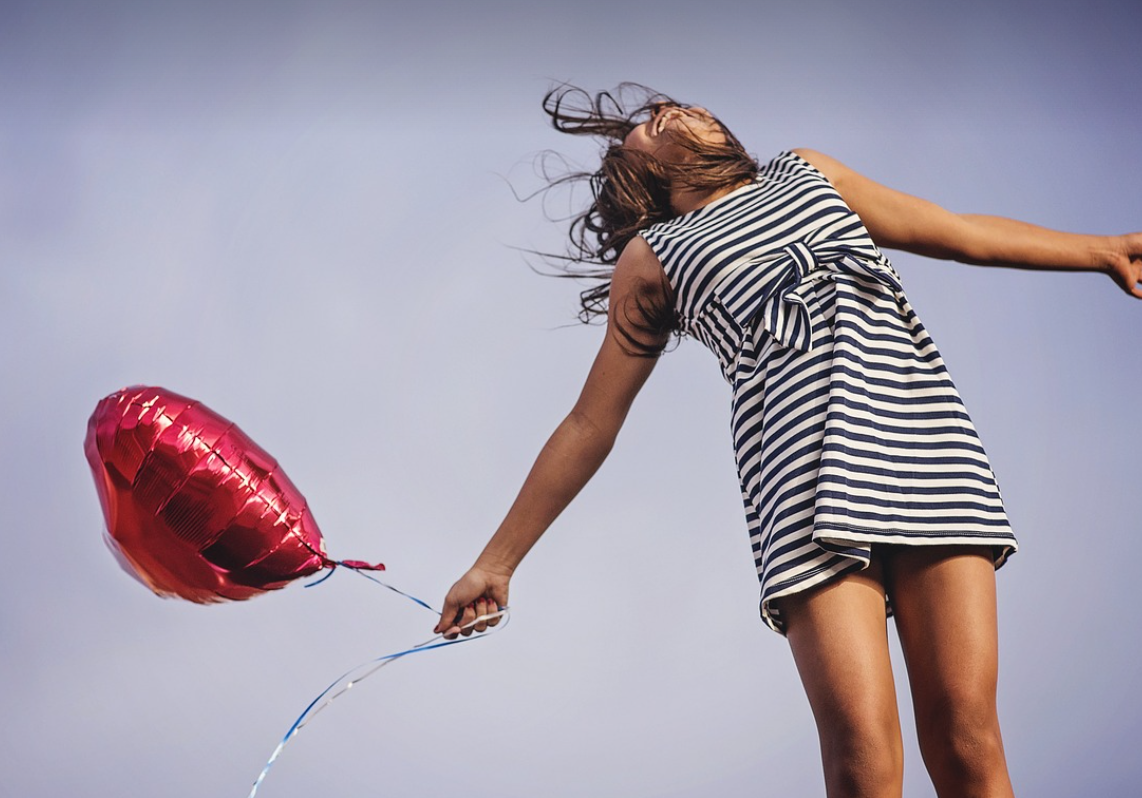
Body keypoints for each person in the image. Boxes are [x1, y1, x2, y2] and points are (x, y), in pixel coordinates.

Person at [434, 84, 1142, 798]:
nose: (673, 111)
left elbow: (956, 232)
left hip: (927, 448)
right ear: (636, 168)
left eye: (670, 103)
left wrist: (1104, 249)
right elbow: (590, 423)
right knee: (861, 755)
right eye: (649, 123)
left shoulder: (807, 173)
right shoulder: (654, 259)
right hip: (803, 487)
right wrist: (496, 563)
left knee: (966, 734)